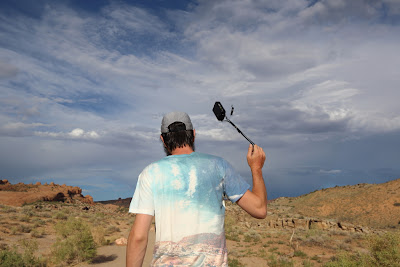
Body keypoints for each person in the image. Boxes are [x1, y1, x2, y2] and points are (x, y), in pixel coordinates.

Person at [126, 111, 267, 267]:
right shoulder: (219, 166)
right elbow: (259, 210)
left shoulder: (150, 173)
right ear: (193, 135)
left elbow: (139, 236)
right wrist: (256, 168)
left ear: (163, 140)